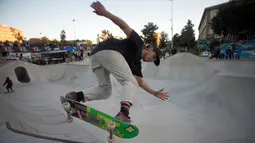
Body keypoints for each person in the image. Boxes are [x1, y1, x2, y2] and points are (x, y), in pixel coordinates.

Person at [63, 1, 169, 123]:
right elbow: (124, 26)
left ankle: (76, 96)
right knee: (129, 81)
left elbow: (141, 82)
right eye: (154, 56)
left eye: (154, 60)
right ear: (149, 49)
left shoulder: (136, 64)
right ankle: (123, 113)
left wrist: (155, 93)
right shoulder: (139, 43)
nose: (151, 60)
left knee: (105, 91)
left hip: (96, 56)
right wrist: (105, 13)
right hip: (109, 50)